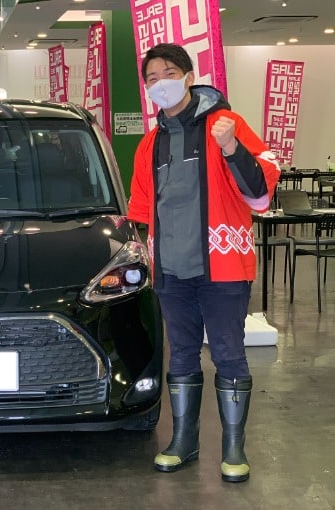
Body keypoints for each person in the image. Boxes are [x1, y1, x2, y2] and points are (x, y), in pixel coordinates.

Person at [127, 43, 280, 483]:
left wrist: (232, 148)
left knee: (230, 356)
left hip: (223, 267)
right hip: (171, 272)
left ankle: (234, 448)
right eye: (151, 78)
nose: (160, 84)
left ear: (189, 76)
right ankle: (183, 441)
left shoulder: (225, 126)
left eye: (168, 73)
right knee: (182, 357)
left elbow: (262, 195)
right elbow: (142, 211)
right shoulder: (149, 144)